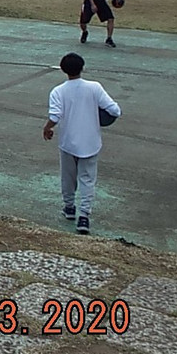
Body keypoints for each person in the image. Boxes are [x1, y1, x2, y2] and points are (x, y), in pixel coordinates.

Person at [42, 52, 121, 235]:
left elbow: (55, 116)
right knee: (88, 179)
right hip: (91, 142)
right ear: (82, 68)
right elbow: (115, 110)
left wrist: (47, 128)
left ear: (63, 70)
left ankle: (69, 207)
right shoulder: (94, 87)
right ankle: (84, 216)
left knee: (68, 177)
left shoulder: (58, 91)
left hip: (68, 142)